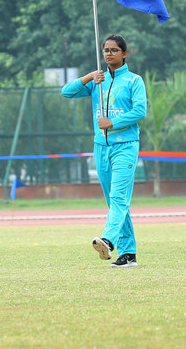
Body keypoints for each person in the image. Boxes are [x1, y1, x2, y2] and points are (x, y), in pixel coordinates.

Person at [62, 34, 147, 267]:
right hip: (101, 147)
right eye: (105, 50)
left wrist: (113, 123)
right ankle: (129, 254)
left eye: (114, 50)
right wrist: (89, 77)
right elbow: (66, 92)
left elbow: (140, 111)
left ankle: (108, 240)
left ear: (124, 53)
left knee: (119, 197)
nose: (109, 53)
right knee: (115, 202)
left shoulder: (133, 81)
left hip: (125, 147)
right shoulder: (96, 82)